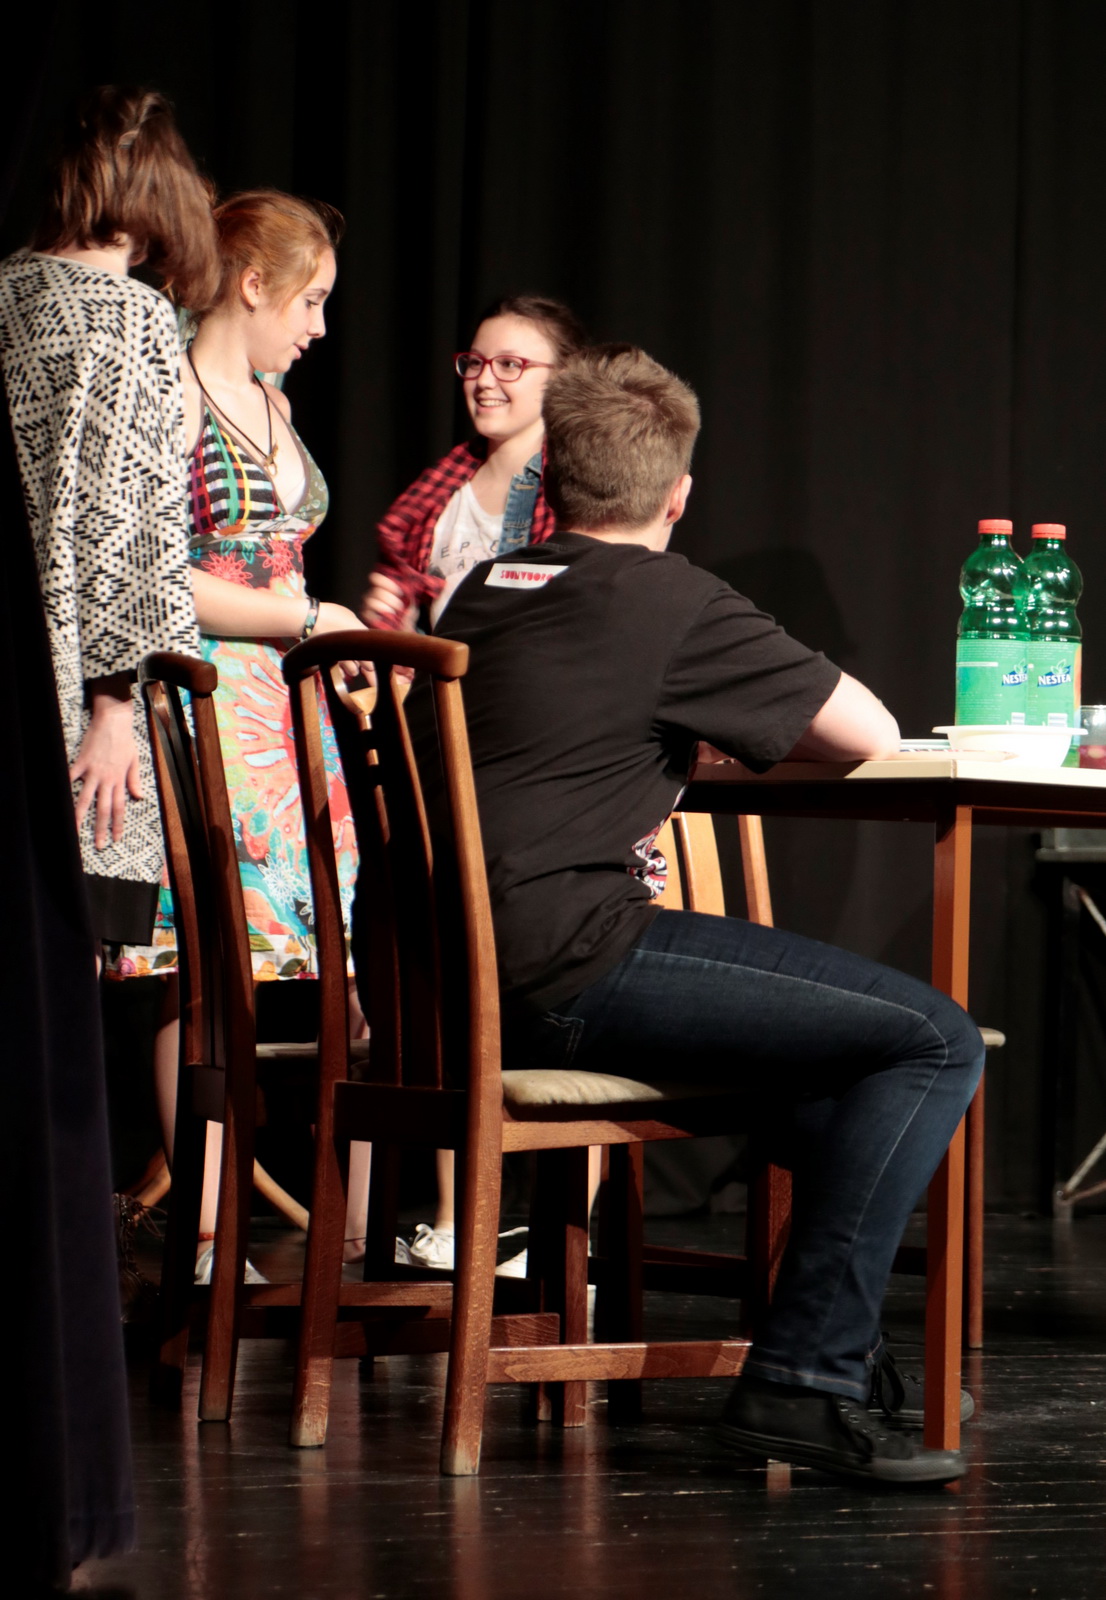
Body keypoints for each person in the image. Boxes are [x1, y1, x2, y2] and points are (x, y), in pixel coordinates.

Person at [418, 344, 985, 1485]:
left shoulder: (483, 592)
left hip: (453, 980)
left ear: (550, 485)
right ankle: (801, 1381)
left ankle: (834, 1349)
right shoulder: (671, 599)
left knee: (834, 1061)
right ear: (677, 496)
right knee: (934, 1041)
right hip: (570, 969)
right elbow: (871, 733)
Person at [111, 190, 373, 1273]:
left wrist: (320, 635)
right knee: (208, 972)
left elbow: (280, 557)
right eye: (309, 299)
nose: (318, 325)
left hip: (289, 709)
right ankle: (209, 1235)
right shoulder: (170, 393)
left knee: (331, 964)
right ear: (253, 285)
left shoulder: (272, 398)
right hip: (208, 699)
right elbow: (160, 578)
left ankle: (353, 1240)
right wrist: (306, 617)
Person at [362, 294, 587, 1270]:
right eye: (475, 363)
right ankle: (466, 1224)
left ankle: (563, 1238)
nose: (485, 381)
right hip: (437, 757)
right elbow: (408, 597)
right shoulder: (445, 488)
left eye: (511, 365)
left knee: (542, 990)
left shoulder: (572, 490)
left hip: (534, 759)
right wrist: (386, 618)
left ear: (562, 382)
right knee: (450, 993)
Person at [0, 84, 218, 956]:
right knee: (70, 952)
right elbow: (132, 524)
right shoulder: (130, 316)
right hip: (70, 684)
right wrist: (117, 705)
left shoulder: (4, 288)